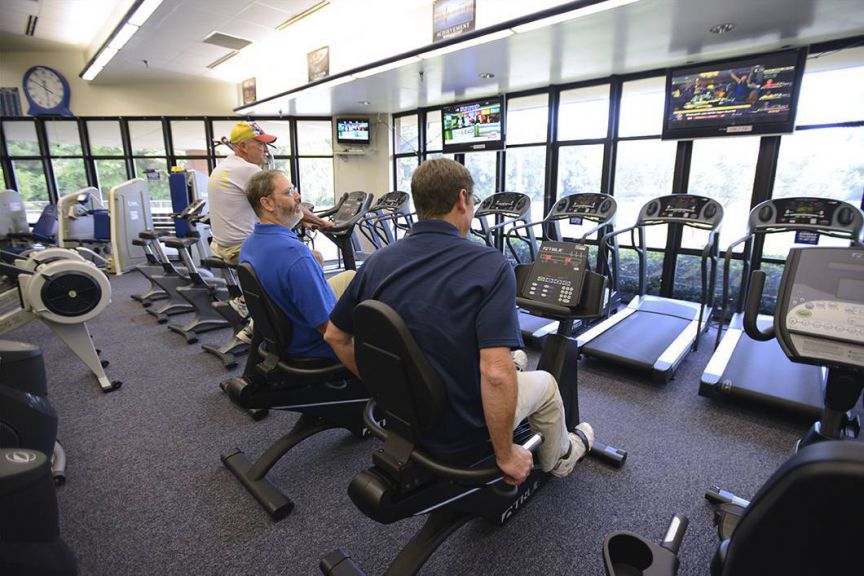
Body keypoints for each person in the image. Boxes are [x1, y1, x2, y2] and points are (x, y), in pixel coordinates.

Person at [325, 158, 593, 487]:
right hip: (461, 424)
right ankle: (560, 458)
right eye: (475, 202)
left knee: (514, 360)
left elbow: (335, 336)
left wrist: (388, 390)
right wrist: (505, 455)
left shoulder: (378, 260)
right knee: (546, 384)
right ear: (462, 199)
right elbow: (494, 374)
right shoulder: (491, 265)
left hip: (406, 410)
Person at [240, 169, 355, 360]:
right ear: (267, 203)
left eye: (294, 189)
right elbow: (329, 331)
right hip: (312, 346)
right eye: (288, 192)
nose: (298, 196)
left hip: (283, 334)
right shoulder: (295, 254)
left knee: (353, 277)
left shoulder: (250, 244)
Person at [208, 121, 332, 266]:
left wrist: (303, 219)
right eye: (260, 144)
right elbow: (283, 202)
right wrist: (321, 222)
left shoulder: (225, 166)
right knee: (314, 258)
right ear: (242, 146)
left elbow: (263, 209)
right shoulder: (247, 169)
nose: (266, 149)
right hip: (238, 248)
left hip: (223, 246)